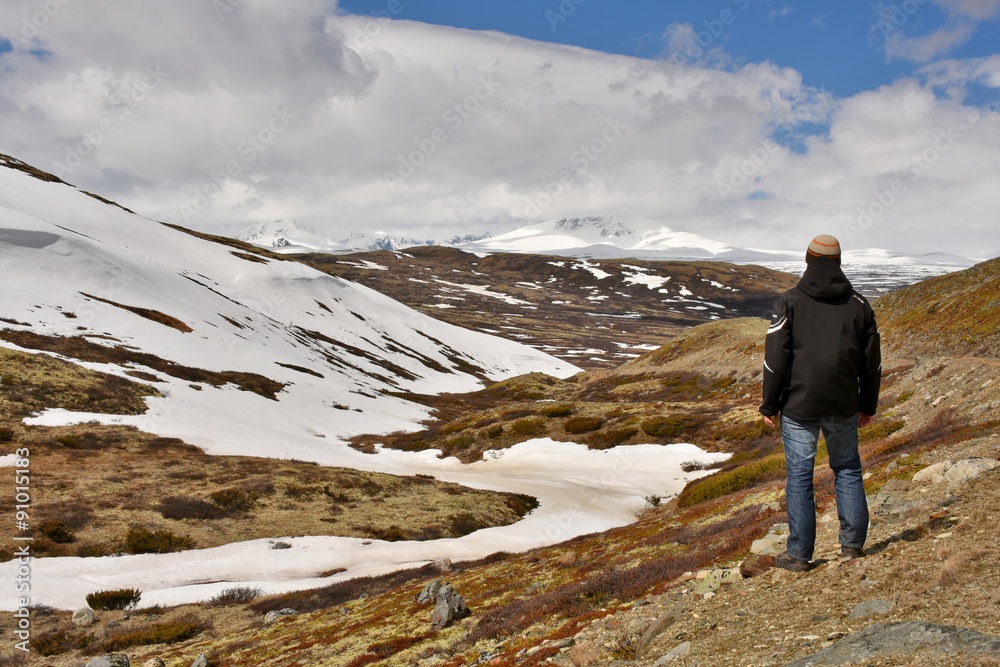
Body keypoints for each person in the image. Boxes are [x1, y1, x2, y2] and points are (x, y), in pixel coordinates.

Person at [759, 234, 882, 572]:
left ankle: (799, 555)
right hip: (843, 404)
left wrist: (769, 404)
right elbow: (871, 363)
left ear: (808, 259)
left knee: (799, 477)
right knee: (848, 469)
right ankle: (852, 548)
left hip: (799, 406)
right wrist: (867, 405)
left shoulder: (791, 301)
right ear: (838, 261)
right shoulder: (859, 304)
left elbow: (775, 359)